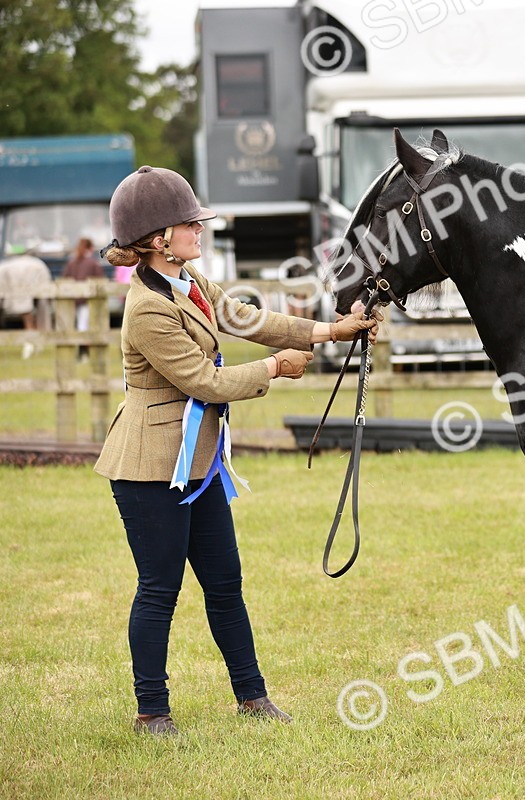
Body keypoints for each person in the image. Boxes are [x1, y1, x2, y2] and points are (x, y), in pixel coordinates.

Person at [95, 166, 380, 736]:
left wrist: (330, 331)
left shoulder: (190, 281)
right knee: (159, 590)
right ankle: (152, 710)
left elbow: (246, 318)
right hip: (150, 467)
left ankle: (252, 696)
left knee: (226, 582)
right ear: (158, 239)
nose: (199, 229)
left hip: (196, 460)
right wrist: (274, 369)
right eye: (190, 223)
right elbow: (205, 382)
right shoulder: (147, 308)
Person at [62, 237, 106, 358]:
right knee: (84, 326)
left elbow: (65, 278)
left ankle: (82, 352)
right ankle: (84, 352)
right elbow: (101, 281)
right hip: (88, 301)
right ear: (90, 248)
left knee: (80, 325)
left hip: (73, 300)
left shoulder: (72, 262)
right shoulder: (93, 263)